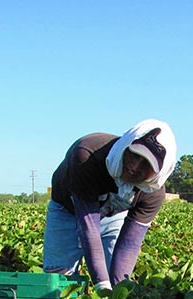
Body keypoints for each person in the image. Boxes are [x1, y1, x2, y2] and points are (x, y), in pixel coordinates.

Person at [43, 119, 177, 290]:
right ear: (125, 146)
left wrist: (117, 293)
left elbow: (130, 244)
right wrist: (102, 285)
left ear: (159, 172)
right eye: (134, 155)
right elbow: (89, 228)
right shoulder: (86, 155)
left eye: (146, 164)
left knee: (117, 279)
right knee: (58, 280)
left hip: (113, 215)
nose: (135, 166)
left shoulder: (153, 193)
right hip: (67, 210)